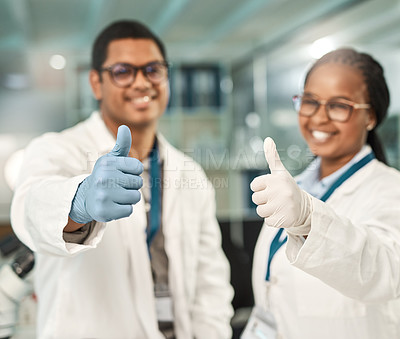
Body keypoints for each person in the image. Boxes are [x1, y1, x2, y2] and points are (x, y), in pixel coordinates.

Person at [10, 20, 233, 339]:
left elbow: (209, 280)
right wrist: (78, 202)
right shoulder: (58, 149)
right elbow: (29, 211)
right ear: (96, 83)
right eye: (123, 71)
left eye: (153, 69)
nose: (142, 82)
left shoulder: (188, 171)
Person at [245, 48, 400, 339]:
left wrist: (309, 219)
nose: (319, 117)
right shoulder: (296, 188)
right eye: (310, 101)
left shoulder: (391, 190)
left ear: (371, 117)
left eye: (339, 105)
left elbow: (386, 271)